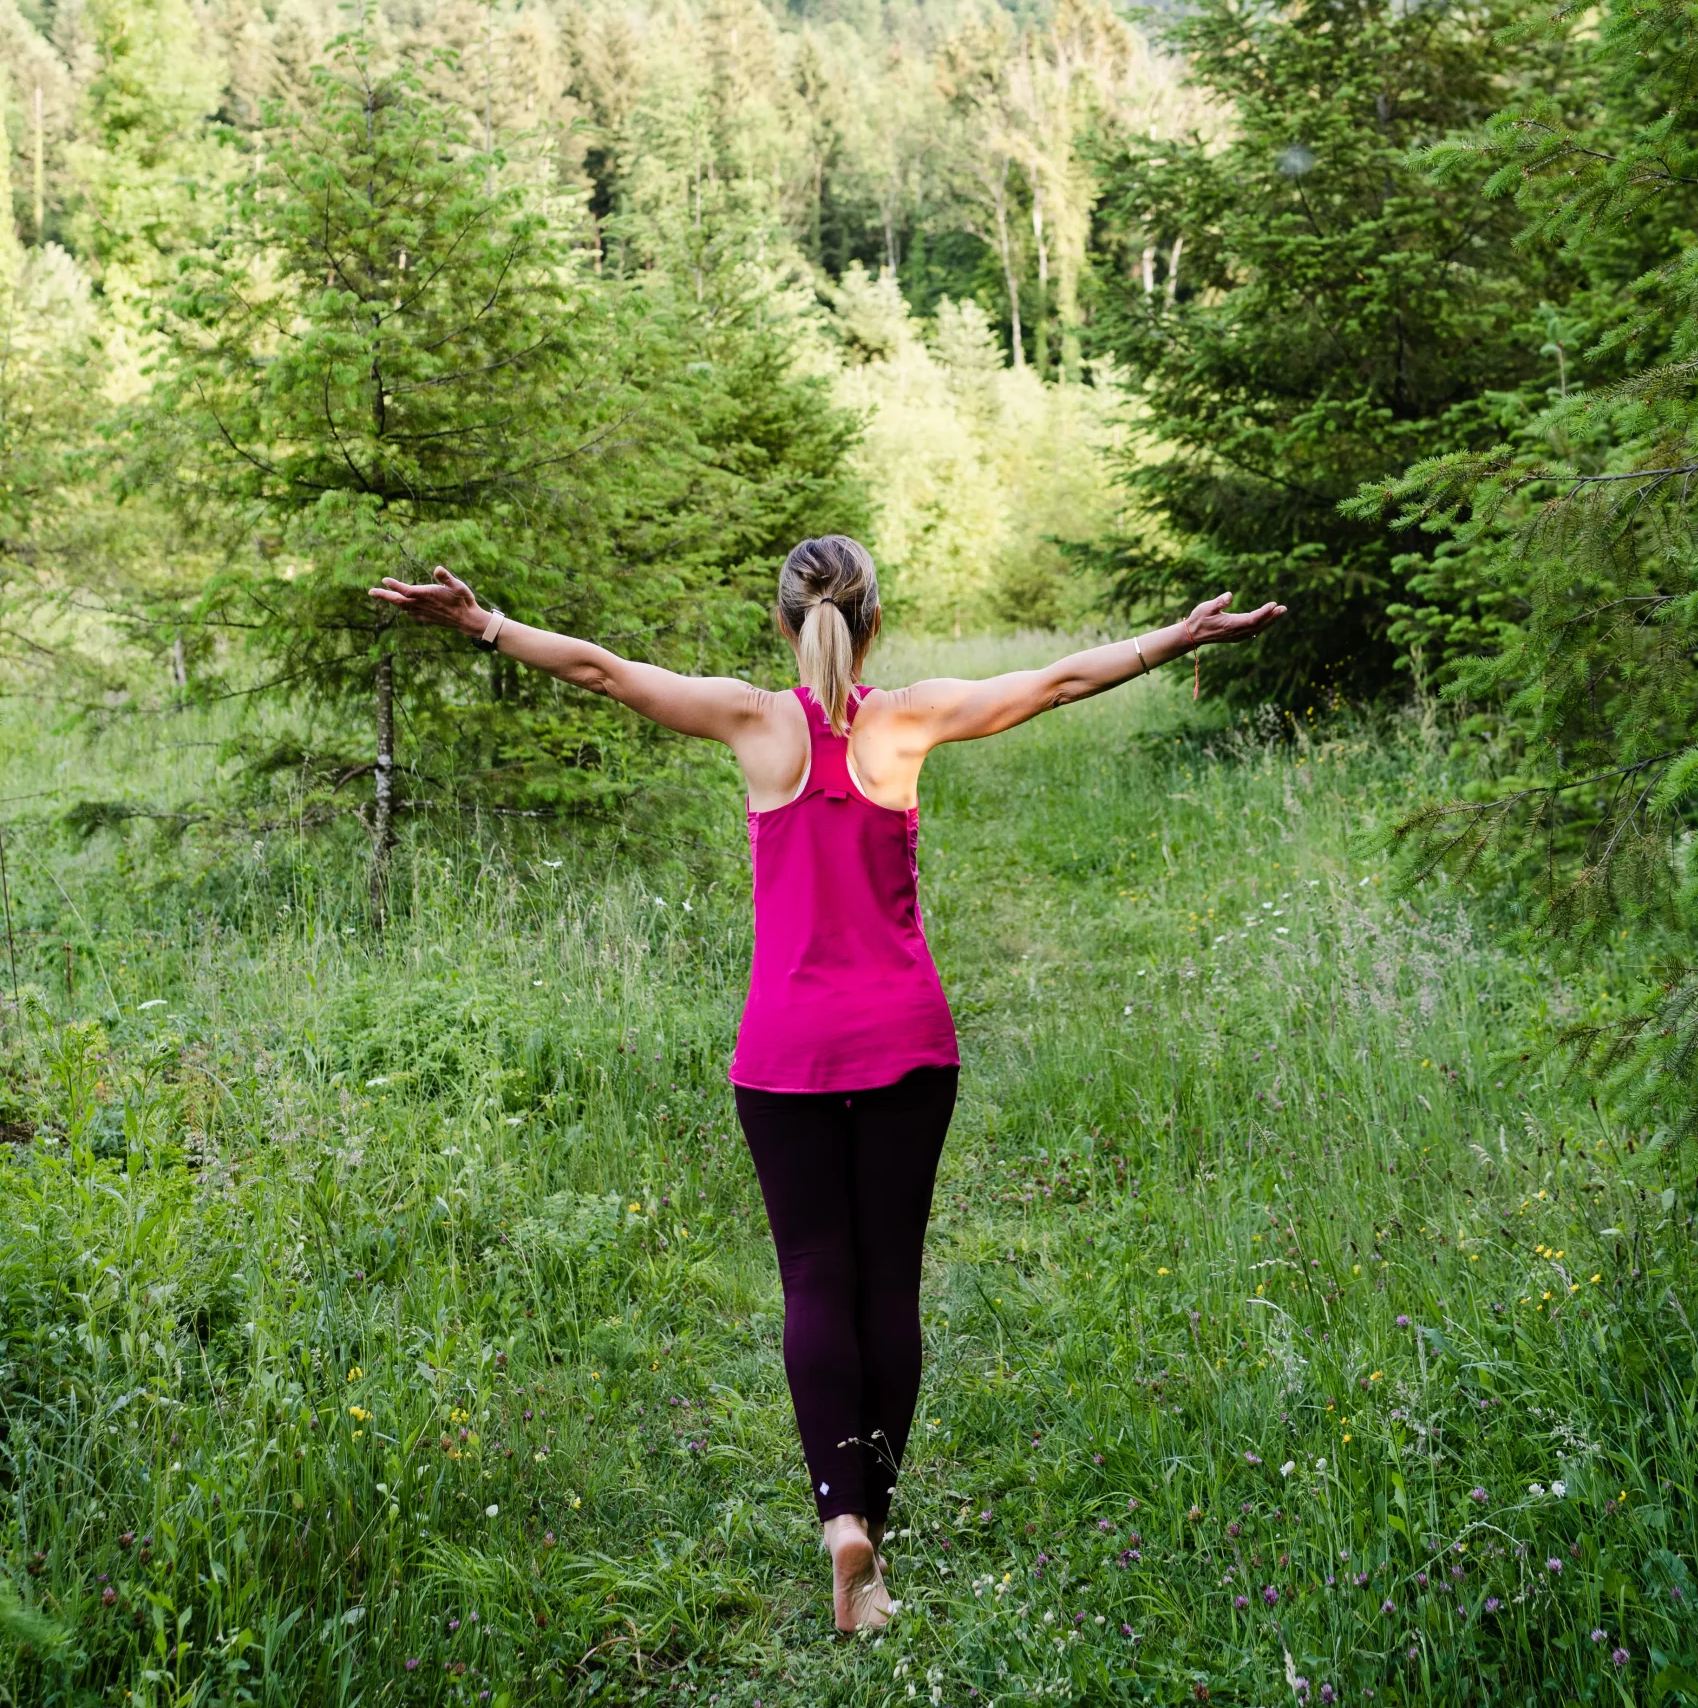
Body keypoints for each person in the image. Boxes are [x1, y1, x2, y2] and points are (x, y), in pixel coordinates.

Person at [370, 535, 1284, 1632]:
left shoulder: (753, 721)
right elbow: (1054, 681)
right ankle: (872, 1545)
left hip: (786, 1053)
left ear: (782, 618)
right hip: (907, 1043)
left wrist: (482, 622)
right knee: (885, 1286)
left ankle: (838, 1519)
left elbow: (603, 670)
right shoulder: (908, 718)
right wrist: (1174, 639)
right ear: (875, 618)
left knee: (814, 1280)